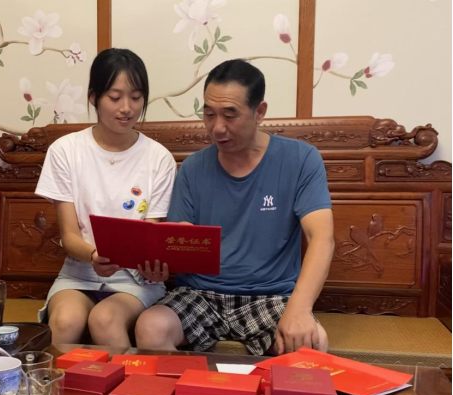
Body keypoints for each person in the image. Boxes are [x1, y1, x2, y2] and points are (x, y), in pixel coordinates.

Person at [135, 59, 334, 355]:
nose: (217, 128)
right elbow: (180, 240)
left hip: (270, 296)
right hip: (199, 294)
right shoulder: (193, 168)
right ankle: (189, 387)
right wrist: (159, 266)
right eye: (209, 114)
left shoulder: (301, 159)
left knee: (312, 341)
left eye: (230, 115)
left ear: (259, 112)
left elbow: (322, 238)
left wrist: (300, 309)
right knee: (150, 327)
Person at [35, 48, 177, 348]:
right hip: (79, 273)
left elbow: (150, 235)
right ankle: (54, 381)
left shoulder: (158, 158)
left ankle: (128, 381)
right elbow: (70, 235)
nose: (127, 108)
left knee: (105, 319)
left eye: (136, 97)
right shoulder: (65, 151)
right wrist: (93, 257)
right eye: (115, 97)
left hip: (135, 279)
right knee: (65, 321)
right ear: (93, 97)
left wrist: (152, 263)